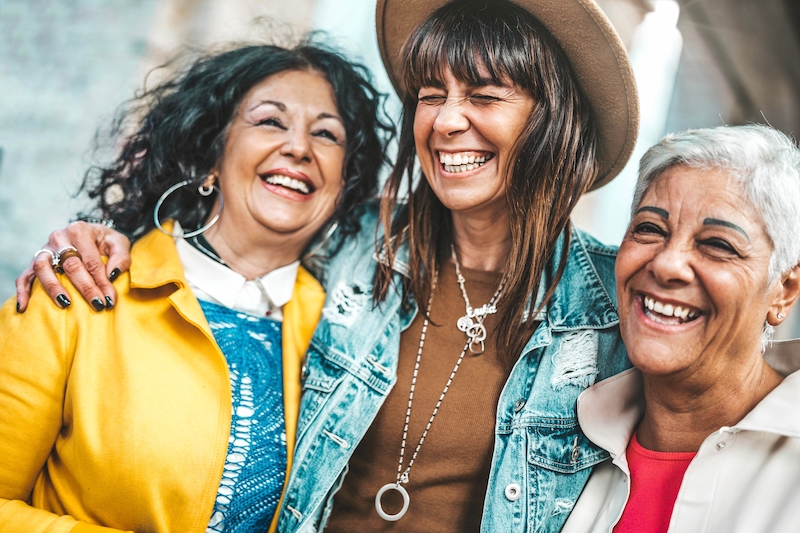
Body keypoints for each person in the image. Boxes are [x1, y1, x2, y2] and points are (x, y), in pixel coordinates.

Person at [16, 1, 639, 532]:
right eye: (430, 96)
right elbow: (236, 233)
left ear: (555, 121)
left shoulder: (616, 314)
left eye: (484, 96)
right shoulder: (349, 251)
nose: (448, 122)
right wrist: (98, 242)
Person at [0, 41, 391, 532]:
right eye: (270, 121)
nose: (299, 147)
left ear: (343, 186)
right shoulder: (77, 287)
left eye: (327, 134)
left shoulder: (345, 339)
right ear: (211, 155)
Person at [561, 125, 800, 533]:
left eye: (718, 244)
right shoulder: (566, 439)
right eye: (650, 229)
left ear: (783, 291)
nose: (667, 264)